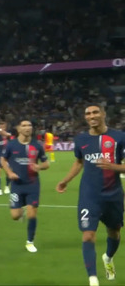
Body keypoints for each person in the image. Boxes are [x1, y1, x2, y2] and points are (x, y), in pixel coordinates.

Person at [56, 104, 124, 286]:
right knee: (87, 235)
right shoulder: (81, 139)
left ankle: (108, 258)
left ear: (103, 114)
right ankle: (93, 279)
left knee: (115, 232)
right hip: (89, 195)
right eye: (88, 113)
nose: (91, 116)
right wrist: (66, 180)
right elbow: (79, 162)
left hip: (113, 194)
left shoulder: (119, 137)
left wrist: (114, 167)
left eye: (95, 112)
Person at [1, 119, 49, 253]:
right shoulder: (11, 145)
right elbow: (3, 159)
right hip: (17, 185)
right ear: (18, 129)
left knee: (32, 214)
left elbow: (46, 164)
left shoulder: (37, 145)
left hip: (33, 185)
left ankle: (30, 241)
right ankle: (19, 212)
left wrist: (39, 166)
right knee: (15, 216)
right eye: (24, 125)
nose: (27, 128)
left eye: (29, 125)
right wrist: (9, 172)